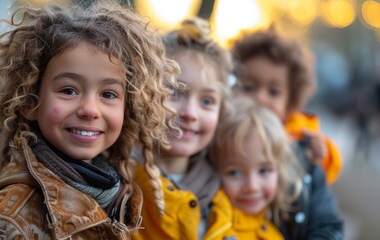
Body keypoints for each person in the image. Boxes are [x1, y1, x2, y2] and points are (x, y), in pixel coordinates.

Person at [0, 1, 179, 239]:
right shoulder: (3, 224)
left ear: (128, 109)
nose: (90, 110)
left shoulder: (124, 206)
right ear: (29, 102)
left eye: (108, 94)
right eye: (69, 90)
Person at [231, 29, 343, 240]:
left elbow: (326, 225)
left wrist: (321, 151)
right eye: (249, 87)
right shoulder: (217, 143)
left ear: (290, 103)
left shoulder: (302, 154)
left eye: (274, 92)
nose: (261, 98)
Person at [131, 17, 234, 240]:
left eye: (207, 101)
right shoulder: (121, 185)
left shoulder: (224, 191)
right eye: (174, 93)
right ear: (145, 94)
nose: (190, 113)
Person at [209, 97, 303, 240]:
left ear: (279, 170)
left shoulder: (273, 227)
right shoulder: (218, 228)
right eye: (234, 172)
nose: (252, 186)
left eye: (264, 170)